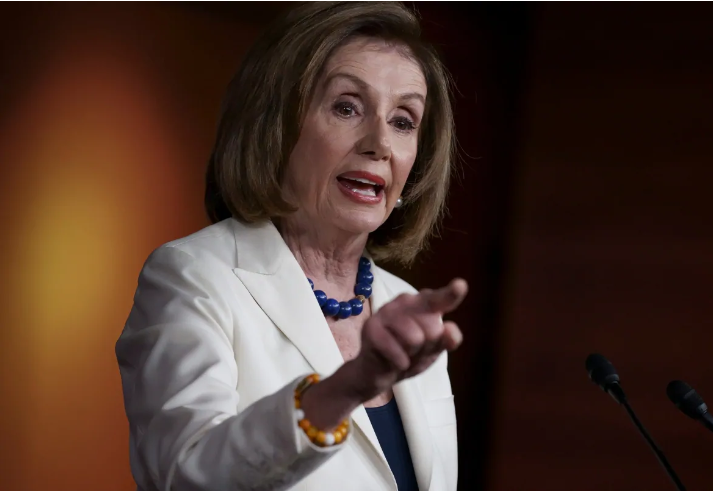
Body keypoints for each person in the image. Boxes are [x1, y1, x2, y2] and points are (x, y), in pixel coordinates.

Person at [115, 2, 467, 490]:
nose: (379, 142)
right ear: (277, 125)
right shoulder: (194, 278)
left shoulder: (408, 314)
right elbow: (186, 476)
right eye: (347, 107)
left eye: (404, 120)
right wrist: (349, 386)